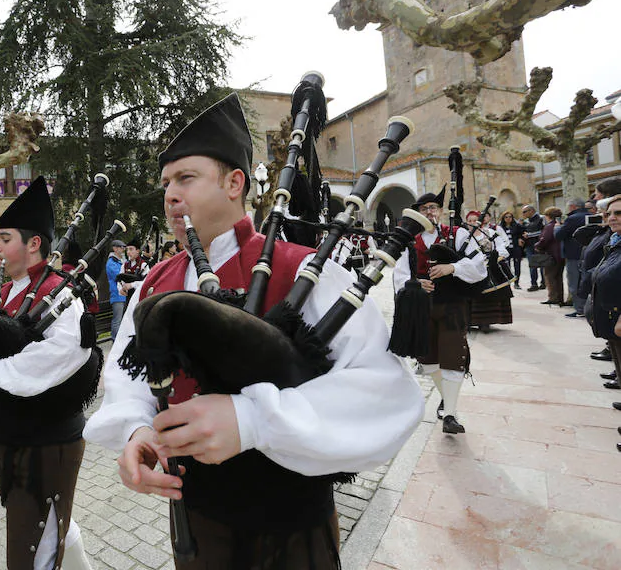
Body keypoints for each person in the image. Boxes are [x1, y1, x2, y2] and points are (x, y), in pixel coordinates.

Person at [84, 93, 424, 568]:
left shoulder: (303, 268)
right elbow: (127, 378)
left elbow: (386, 391)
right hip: (194, 520)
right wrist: (136, 429)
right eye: (165, 183)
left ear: (234, 183)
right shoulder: (155, 282)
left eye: (186, 178)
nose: (170, 195)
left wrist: (253, 420)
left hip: (288, 524)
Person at [0, 176, 94, 569]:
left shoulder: (61, 295)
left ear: (34, 242)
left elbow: (62, 355)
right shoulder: (4, 294)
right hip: (6, 434)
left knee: (30, 552)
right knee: (53, 526)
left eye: (4, 238)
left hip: (47, 439)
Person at [393, 189, 488, 434]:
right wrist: (415, 283)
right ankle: (447, 398)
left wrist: (452, 268)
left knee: (453, 356)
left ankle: (450, 415)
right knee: (429, 359)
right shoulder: (408, 240)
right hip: (421, 307)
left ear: (441, 211)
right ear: (417, 212)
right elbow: (399, 275)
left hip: (451, 305)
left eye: (434, 207)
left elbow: (479, 266)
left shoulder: (457, 234)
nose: (430, 212)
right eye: (424, 208)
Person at [585, 194, 621, 451]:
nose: (612, 218)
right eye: (609, 214)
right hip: (610, 315)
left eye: (618, 214)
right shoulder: (614, 241)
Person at [465, 210, 513, 332]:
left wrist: (495, 257)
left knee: (490, 294)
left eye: (474, 220)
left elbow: (502, 247)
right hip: (473, 268)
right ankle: (472, 321)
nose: (472, 223)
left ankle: (486, 321)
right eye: (469, 221)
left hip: (491, 267)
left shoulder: (489, 232)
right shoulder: (464, 236)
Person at [555, 198, 588, 318]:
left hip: (573, 255)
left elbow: (558, 235)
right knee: (587, 281)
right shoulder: (591, 216)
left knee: (574, 283)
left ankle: (580, 309)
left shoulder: (571, 219)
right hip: (589, 254)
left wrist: (558, 227)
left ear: (573, 207)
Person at [535, 207, 565, 305]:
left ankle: (553, 297)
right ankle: (559, 296)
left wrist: (537, 246)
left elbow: (545, 239)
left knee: (549, 276)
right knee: (558, 277)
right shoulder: (560, 225)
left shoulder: (549, 226)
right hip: (560, 255)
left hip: (550, 254)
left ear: (548, 216)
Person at [520, 204, 546, 291]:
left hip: (539, 245)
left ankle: (544, 283)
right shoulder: (526, 221)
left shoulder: (541, 218)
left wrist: (530, 235)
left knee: (542, 265)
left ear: (531, 211)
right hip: (529, 246)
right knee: (532, 265)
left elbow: (544, 231)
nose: (523, 214)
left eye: (524, 212)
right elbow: (525, 232)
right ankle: (534, 284)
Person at [119, 237, 150, 302]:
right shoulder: (124, 265)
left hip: (140, 298)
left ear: (137, 251)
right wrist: (121, 289)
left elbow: (147, 281)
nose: (128, 252)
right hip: (128, 298)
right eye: (127, 250)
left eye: (131, 249)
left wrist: (132, 285)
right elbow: (120, 280)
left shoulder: (143, 265)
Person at [499, 210, 525, 290]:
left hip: (516, 248)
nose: (508, 218)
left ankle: (516, 283)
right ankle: (508, 283)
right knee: (507, 266)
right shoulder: (500, 227)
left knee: (517, 266)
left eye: (510, 217)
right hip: (506, 250)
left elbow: (524, 233)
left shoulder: (517, 225)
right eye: (506, 217)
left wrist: (521, 238)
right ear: (503, 218)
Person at [105, 239, 125, 340]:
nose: (123, 249)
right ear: (114, 248)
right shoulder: (111, 262)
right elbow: (119, 276)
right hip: (117, 295)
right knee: (117, 320)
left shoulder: (120, 261)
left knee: (122, 320)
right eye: (121, 247)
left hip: (123, 295)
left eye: (123, 247)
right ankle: (115, 340)